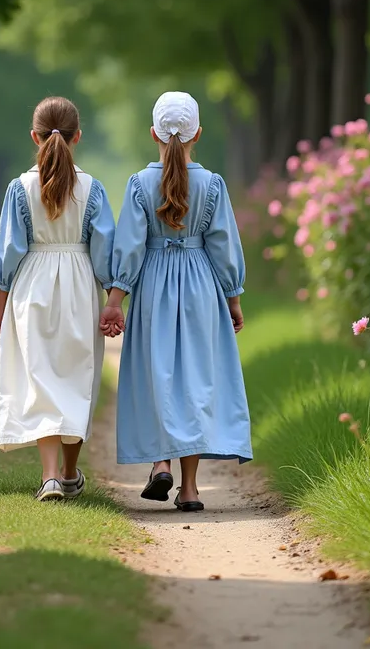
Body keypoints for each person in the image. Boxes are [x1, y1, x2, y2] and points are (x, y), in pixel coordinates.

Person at [100, 92, 252, 511]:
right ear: (197, 134)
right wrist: (233, 298)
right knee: (195, 381)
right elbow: (224, 245)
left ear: (153, 134)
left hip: (153, 286)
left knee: (157, 374)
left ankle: (160, 462)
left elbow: (130, 247)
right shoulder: (212, 184)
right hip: (201, 285)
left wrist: (115, 299)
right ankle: (189, 488)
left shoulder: (139, 184)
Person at [0, 96, 116, 501]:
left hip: (33, 284)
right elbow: (105, 249)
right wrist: (112, 295)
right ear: (78, 136)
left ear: (35, 136)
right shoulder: (92, 188)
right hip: (79, 284)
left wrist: (0, 300)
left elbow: (10, 249)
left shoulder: (19, 188)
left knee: (40, 376)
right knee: (77, 377)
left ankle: (48, 476)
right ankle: (69, 471)